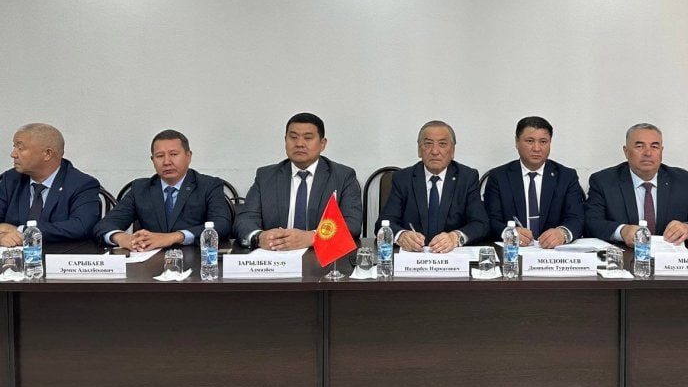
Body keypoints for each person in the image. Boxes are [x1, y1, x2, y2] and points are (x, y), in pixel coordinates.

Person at [234, 113, 362, 251]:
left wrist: (313, 237)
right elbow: (245, 219)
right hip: (276, 255)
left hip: (321, 255)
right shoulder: (266, 176)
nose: (299, 144)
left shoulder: (342, 176)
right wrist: (258, 237)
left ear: (322, 144)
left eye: (308, 138)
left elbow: (352, 223)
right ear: (285, 140)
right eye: (293, 137)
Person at [93, 129, 231, 251]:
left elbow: (222, 225)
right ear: (152, 160)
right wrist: (122, 238)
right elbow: (104, 225)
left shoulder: (209, 185)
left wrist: (175, 237)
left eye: (174, 154)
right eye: (160, 156)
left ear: (188, 156)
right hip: (149, 263)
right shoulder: (140, 189)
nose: (166, 162)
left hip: (195, 260)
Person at [585, 123, 688, 246]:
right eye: (639, 146)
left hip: (671, 255)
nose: (648, 153)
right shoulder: (604, 181)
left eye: (654, 146)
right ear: (626, 151)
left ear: (661, 151)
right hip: (625, 254)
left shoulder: (682, 181)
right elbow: (591, 223)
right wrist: (622, 231)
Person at [377, 120, 488, 253]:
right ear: (419, 150)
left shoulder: (467, 177)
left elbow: (481, 224)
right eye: (428, 144)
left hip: (451, 256)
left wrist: (456, 237)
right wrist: (401, 236)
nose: (435, 151)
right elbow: (383, 223)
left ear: (452, 151)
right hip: (414, 256)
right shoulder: (403, 179)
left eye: (442, 144)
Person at [483, 116, 584, 248]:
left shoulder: (566, 176)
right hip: (514, 251)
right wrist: (508, 233)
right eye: (530, 141)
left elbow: (577, 217)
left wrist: (562, 233)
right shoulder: (499, 177)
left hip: (553, 253)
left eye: (543, 142)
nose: (537, 148)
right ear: (517, 142)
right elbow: (490, 219)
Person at [0, 123, 100, 246]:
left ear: (47, 154)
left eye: (20, 148)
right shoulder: (10, 179)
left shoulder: (82, 184)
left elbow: (81, 226)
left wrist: (22, 231)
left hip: (60, 254)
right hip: (14, 256)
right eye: (14, 147)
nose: (13, 154)